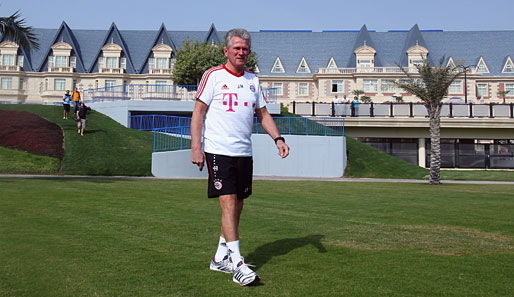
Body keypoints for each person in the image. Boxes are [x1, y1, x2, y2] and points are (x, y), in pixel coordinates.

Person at [191, 28, 290, 286]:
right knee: (228, 202)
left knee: (239, 203)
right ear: (226, 51)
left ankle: (220, 257)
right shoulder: (212, 76)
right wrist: (196, 147)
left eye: (245, 48)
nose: (241, 52)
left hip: (243, 151)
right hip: (218, 150)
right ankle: (237, 264)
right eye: (236, 48)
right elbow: (198, 113)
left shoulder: (252, 80)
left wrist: (278, 139)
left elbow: (263, 115)